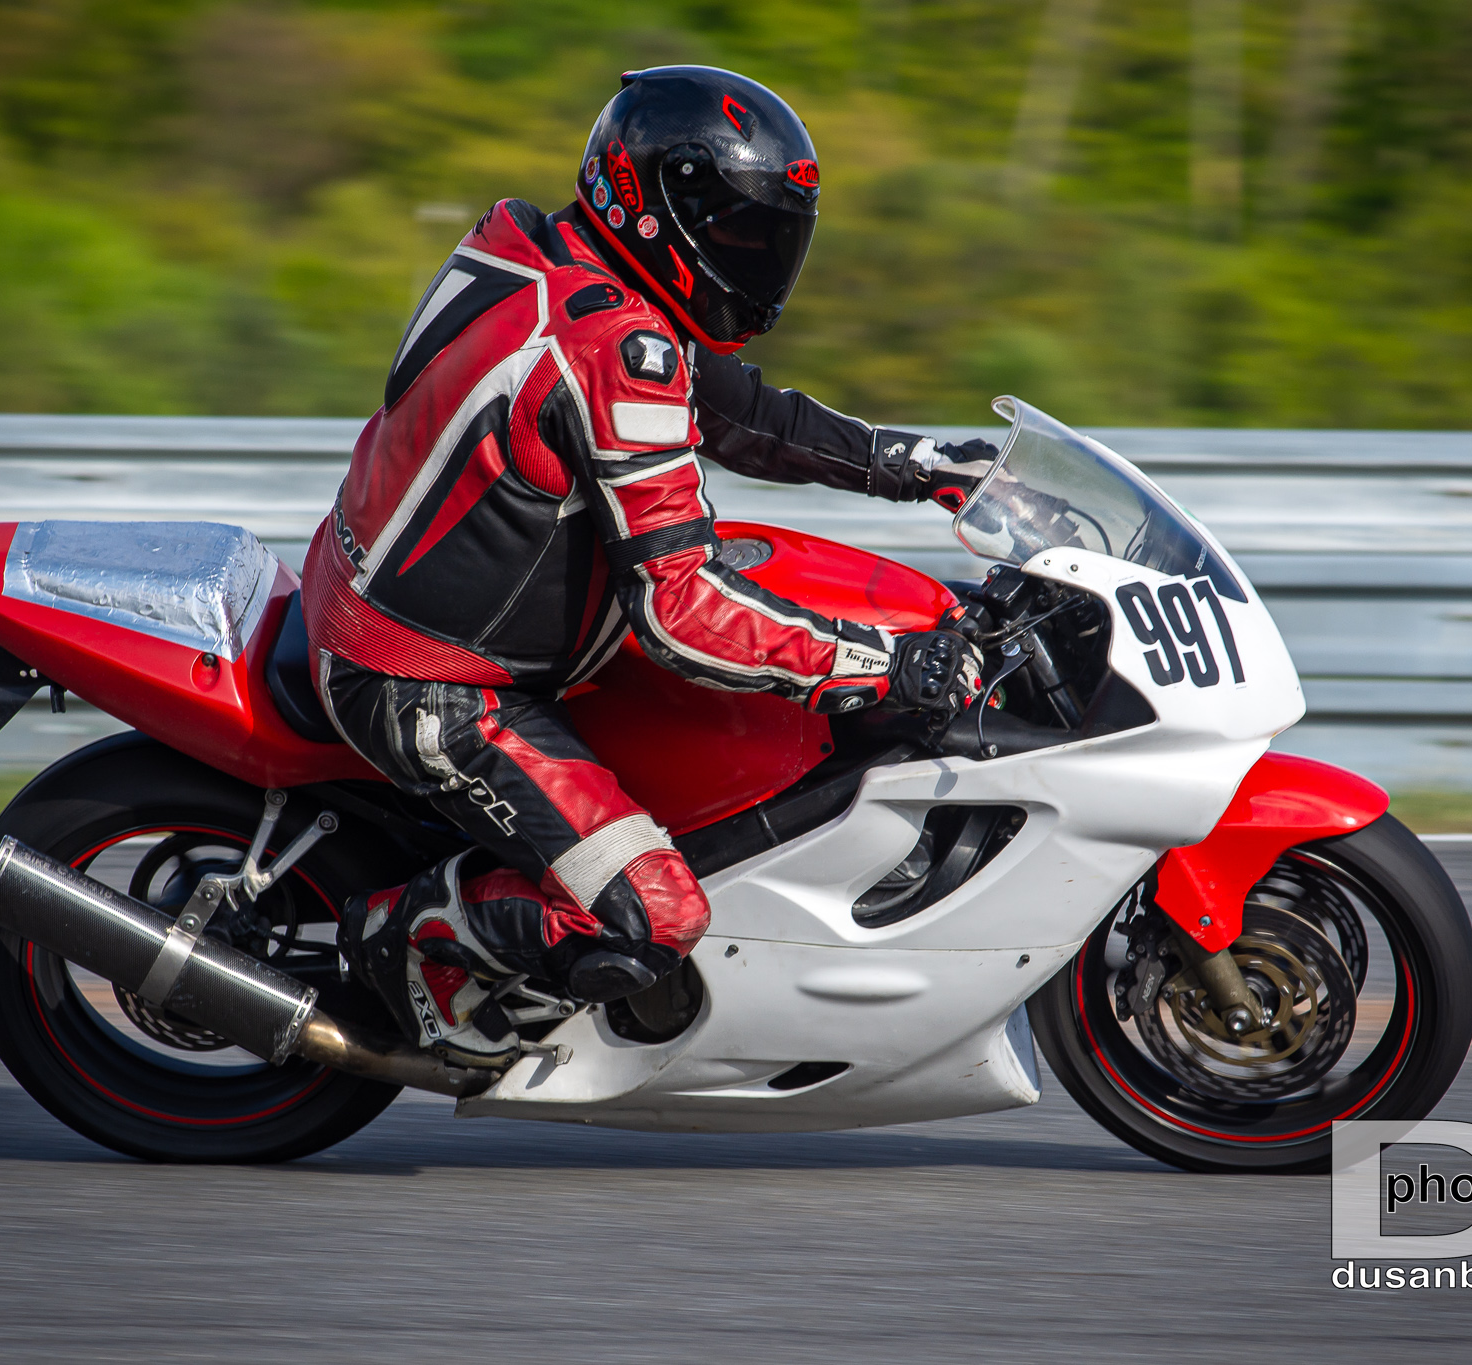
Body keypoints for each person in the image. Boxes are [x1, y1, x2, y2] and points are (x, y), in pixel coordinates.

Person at [310, 66, 992, 1067]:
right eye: (736, 234)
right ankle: (402, 936)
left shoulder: (547, 253)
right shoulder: (613, 346)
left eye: (770, 237)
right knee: (654, 913)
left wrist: (914, 465)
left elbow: (744, 414)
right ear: (651, 206)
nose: (755, 259)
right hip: (435, 684)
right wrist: (879, 665)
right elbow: (681, 611)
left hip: (422, 608)